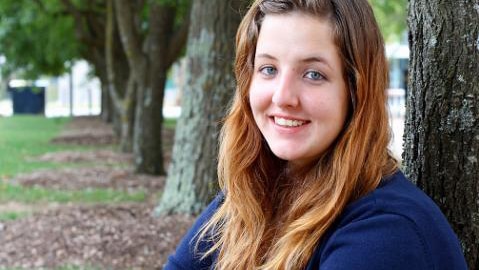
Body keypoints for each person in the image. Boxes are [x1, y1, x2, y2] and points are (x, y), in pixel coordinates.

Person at [165, 0, 468, 269]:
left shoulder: (386, 234)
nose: (283, 97)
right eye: (269, 69)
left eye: (313, 74)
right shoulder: (258, 192)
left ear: (355, 92)